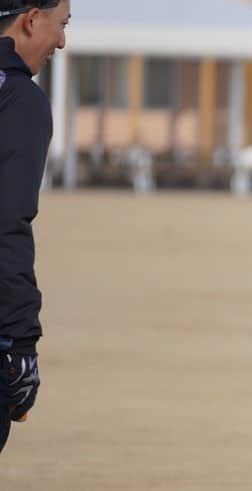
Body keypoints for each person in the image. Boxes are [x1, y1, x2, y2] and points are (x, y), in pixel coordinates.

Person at [0, 0, 69, 452]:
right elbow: (7, 221)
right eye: (61, 25)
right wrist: (20, 344)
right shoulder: (19, 98)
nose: (61, 41)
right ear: (30, 19)